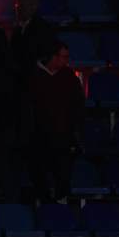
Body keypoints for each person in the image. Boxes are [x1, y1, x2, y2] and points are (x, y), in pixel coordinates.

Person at [22, 41, 83, 201]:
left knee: (62, 177)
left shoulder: (68, 76)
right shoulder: (33, 77)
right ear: (52, 57)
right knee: (39, 176)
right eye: (63, 57)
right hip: (38, 137)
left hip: (62, 136)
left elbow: (78, 103)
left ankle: (60, 208)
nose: (66, 61)